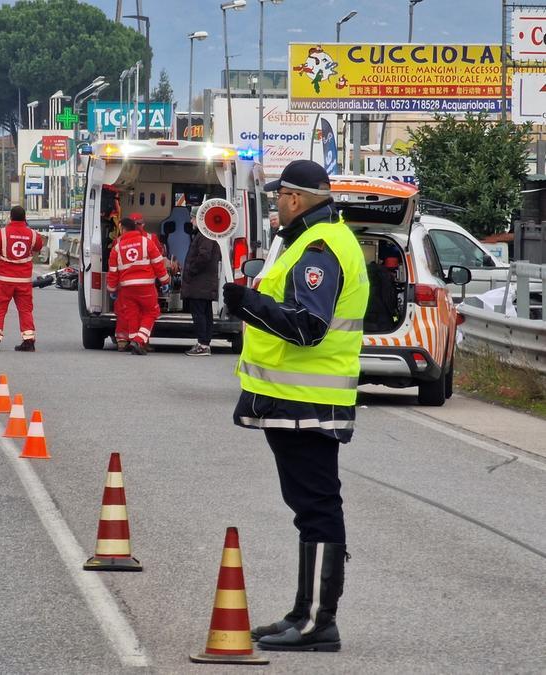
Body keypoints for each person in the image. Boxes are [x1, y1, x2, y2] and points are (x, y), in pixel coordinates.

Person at [221, 160, 369, 652]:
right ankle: (303, 614)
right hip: (296, 400)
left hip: (310, 401)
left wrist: (245, 302)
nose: (276, 205)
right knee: (308, 510)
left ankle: (318, 623)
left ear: (296, 198)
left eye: (279, 196)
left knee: (318, 509)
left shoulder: (320, 249)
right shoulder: (308, 241)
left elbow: (308, 327)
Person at [107, 217, 170, 356]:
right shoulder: (146, 242)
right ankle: (139, 340)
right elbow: (158, 263)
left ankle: (135, 342)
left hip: (127, 289)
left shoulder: (117, 247)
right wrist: (165, 281)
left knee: (132, 315)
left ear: (122, 229)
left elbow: (113, 272)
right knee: (151, 312)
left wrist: (112, 289)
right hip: (146, 286)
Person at [0, 205, 43, 352]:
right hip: (24, 281)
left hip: (4, 279)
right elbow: (38, 246)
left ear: (10, 217)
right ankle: (29, 340)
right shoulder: (33, 234)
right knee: (25, 310)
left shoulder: (2, 233)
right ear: (25, 218)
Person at [181, 227, 221, 356]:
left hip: (200, 283)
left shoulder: (204, 235)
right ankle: (204, 343)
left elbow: (204, 256)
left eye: (193, 218)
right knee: (205, 314)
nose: (191, 222)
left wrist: (192, 270)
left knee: (199, 314)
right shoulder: (207, 234)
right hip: (205, 283)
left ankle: (203, 345)